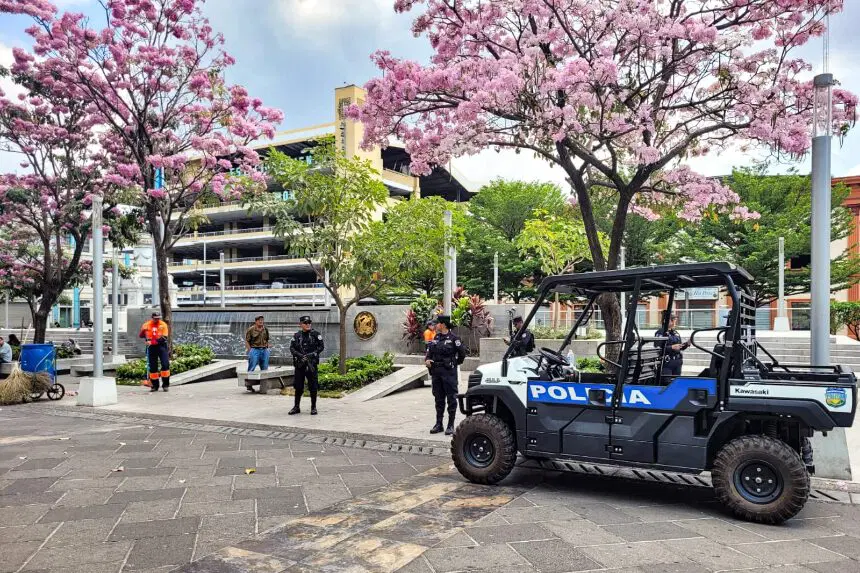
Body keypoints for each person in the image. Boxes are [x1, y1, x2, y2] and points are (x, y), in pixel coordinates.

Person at [425, 315, 466, 435]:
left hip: (449, 373)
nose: (435, 325)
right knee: (438, 399)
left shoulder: (454, 338)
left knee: (451, 399)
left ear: (443, 324)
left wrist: (455, 363)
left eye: (437, 323)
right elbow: (429, 352)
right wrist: (427, 360)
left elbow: (462, 353)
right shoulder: (436, 337)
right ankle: (439, 424)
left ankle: (450, 425)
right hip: (436, 373)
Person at [289, 315, 324, 415]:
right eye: (305, 323)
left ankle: (313, 407)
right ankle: (296, 407)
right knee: (298, 386)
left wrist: (312, 354)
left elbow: (321, 347)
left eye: (309, 323)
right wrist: (299, 355)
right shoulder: (297, 335)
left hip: (311, 364)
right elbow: (292, 348)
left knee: (313, 386)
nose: (308, 324)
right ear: (300, 324)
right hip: (300, 364)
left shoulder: (316, 334)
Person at [139, 311, 170, 392]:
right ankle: (154, 386)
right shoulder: (146, 324)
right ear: (152, 318)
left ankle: (165, 385)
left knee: (165, 365)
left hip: (161, 347)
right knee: (153, 367)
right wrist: (143, 331)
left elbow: (164, 338)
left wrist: (152, 342)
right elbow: (141, 335)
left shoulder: (163, 324)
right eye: (155, 318)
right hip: (151, 348)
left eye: (158, 318)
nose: (157, 320)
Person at [655, 311, 689, 377]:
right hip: (667, 362)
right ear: (665, 320)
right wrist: (671, 347)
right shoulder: (660, 333)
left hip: (677, 362)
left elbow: (680, 347)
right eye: (672, 320)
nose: (674, 322)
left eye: (675, 319)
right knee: (667, 381)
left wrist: (686, 344)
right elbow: (658, 349)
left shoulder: (675, 333)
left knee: (676, 381)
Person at [245, 315, 271, 390]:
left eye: (262, 320)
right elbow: (247, 341)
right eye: (259, 320)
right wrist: (250, 351)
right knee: (251, 367)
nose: (261, 322)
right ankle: (249, 385)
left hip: (264, 350)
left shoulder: (265, 329)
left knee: (264, 368)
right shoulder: (251, 329)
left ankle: (263, 386)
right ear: (256, 321)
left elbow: (267, 339)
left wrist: (267, 348)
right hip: (254, 349)